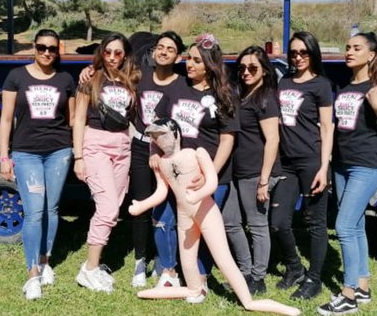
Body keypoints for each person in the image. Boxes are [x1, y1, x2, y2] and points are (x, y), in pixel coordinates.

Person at [129, 119, 301, 316]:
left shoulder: (196, 154)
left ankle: (247, 301)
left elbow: (212, 182)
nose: (159, 140)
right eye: (155, 137)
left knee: (223, 259)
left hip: (206, 213)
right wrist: (142, 205)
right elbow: (162, 190)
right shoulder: (162, 163)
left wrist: (198, 195)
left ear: (176, 134)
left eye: (162, 135)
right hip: (184, 216)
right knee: (187, 261)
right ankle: (194, 289)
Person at [79, 31, 188, 287]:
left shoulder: (168, 81)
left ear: (178, 56)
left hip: (161, 150)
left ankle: (164, 260)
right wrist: (89, 69)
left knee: (166, 206)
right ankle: (139, 259)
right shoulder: (139, 76)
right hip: (137, 147)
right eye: (160, 47)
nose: (163, 52)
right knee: (137, 205)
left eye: (170, 49)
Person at [317, 32, 377, 315]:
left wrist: (376, 105)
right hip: (342, 164)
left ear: (371, 54)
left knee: (343, 227)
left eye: (356, 48)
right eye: (347, 47)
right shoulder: (344, 86)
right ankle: (363, 287)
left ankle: (348, 294)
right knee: (356, 225)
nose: (349, 52)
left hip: (365, 165)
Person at [154, 32, 239, 295]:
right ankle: (169, 272)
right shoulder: (176, 87)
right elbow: (157, 125)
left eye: (196, 60)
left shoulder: (224, 93)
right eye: (189, 58)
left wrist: (209, 174)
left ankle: (201, 277)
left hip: (210, 176)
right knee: (164, 220)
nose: (189, 64)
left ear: (210, 65)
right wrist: (155, 153)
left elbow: (227, 139)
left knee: (204, 228)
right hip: (175, 174)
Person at [0, 29, 76, 301]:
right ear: (34, 47)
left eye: (52, 48)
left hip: (59, 151)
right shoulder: (16, 76)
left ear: (58, 51)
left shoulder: (66, 79)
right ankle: (32, 275)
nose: (46, 53)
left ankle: (45, 261)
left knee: (51, 209)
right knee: (33, 213)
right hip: (26, 153)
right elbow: (6, 119)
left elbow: (72, 119)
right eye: (42, 47)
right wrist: (4, 156)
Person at [73, 32, 140, 293]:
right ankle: (89, 270)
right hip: (96, 143)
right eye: (107, 52)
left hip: (122, 145)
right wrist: (79, 157)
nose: (112, 57)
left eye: (118, 52)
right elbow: (79, 119)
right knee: (108, 208)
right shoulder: (91, 79)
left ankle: (95, 263)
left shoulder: (131, 80)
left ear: (125, 55)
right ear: (101, 52)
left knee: (115, 204)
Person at [271, 32, 333, 300]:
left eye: (303, 52)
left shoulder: (321, 85)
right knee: (278, 222)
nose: (297, 57)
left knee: (315, 223)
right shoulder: (284, 81)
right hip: (286, 163)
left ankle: (314, 279)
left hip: (311, 161)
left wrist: (323, 167)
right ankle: (295, 268)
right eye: (294, 53)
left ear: (313, 53)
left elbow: (327, 128)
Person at [227, 45, 281, 295]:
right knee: (230, 221)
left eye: (252, 68)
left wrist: (264, 180)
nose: (246, 72)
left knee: (257, 225)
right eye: (242, 68)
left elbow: (273, 139)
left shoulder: (265, 97)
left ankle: (258, 279)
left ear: (264, 70)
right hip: (237, 170)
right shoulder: (243, 95)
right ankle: (245, 271)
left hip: (256, 172)